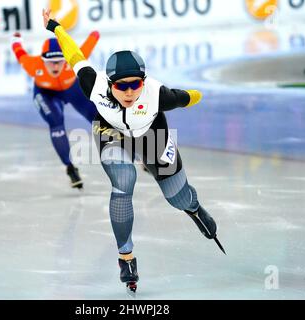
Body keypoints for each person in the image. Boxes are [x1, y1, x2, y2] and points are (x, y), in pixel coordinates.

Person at [42, 9, 225, 292]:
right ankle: (126, 257)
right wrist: (55, 26)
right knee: (124, 179)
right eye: (121, 86)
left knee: (177, 198)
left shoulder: (158, 94)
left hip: (151, 133)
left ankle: (194, 207)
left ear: (143, 81)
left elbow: (188, 96)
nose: (129, 92)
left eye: (135, 85)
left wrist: (205, 95)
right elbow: (73, 54)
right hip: (110, 132)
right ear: (109, 83)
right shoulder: (94, 82)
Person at [11, 30, 100, 189]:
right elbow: (19, 52)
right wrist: (16, 39)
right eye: (51, 61)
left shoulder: (75, 58)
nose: (56, 65)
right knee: (56, 122)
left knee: (99, 119)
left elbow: (91, 42)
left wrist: (95, 33)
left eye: (60, 60)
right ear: (42, 60)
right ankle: (70, 167)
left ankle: (134, 154)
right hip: (47, 94)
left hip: (72, 89)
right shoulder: (32, 65)